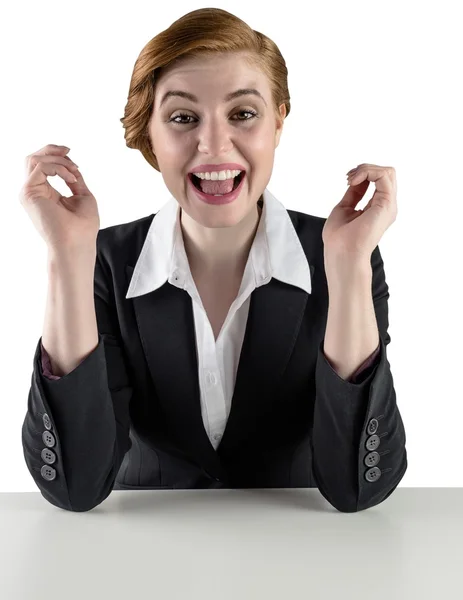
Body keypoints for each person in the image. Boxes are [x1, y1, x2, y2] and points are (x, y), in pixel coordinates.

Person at [20, 7, 407, 513]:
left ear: (278, 123)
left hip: (301, 558)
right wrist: (68, 258)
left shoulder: (343, 252)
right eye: (183, 118)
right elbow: (74, 486)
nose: (215, 144)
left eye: (243, 114)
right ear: (150, 136)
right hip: (141, 561)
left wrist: (351, 266)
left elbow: (359, 488)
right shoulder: (106, 262)